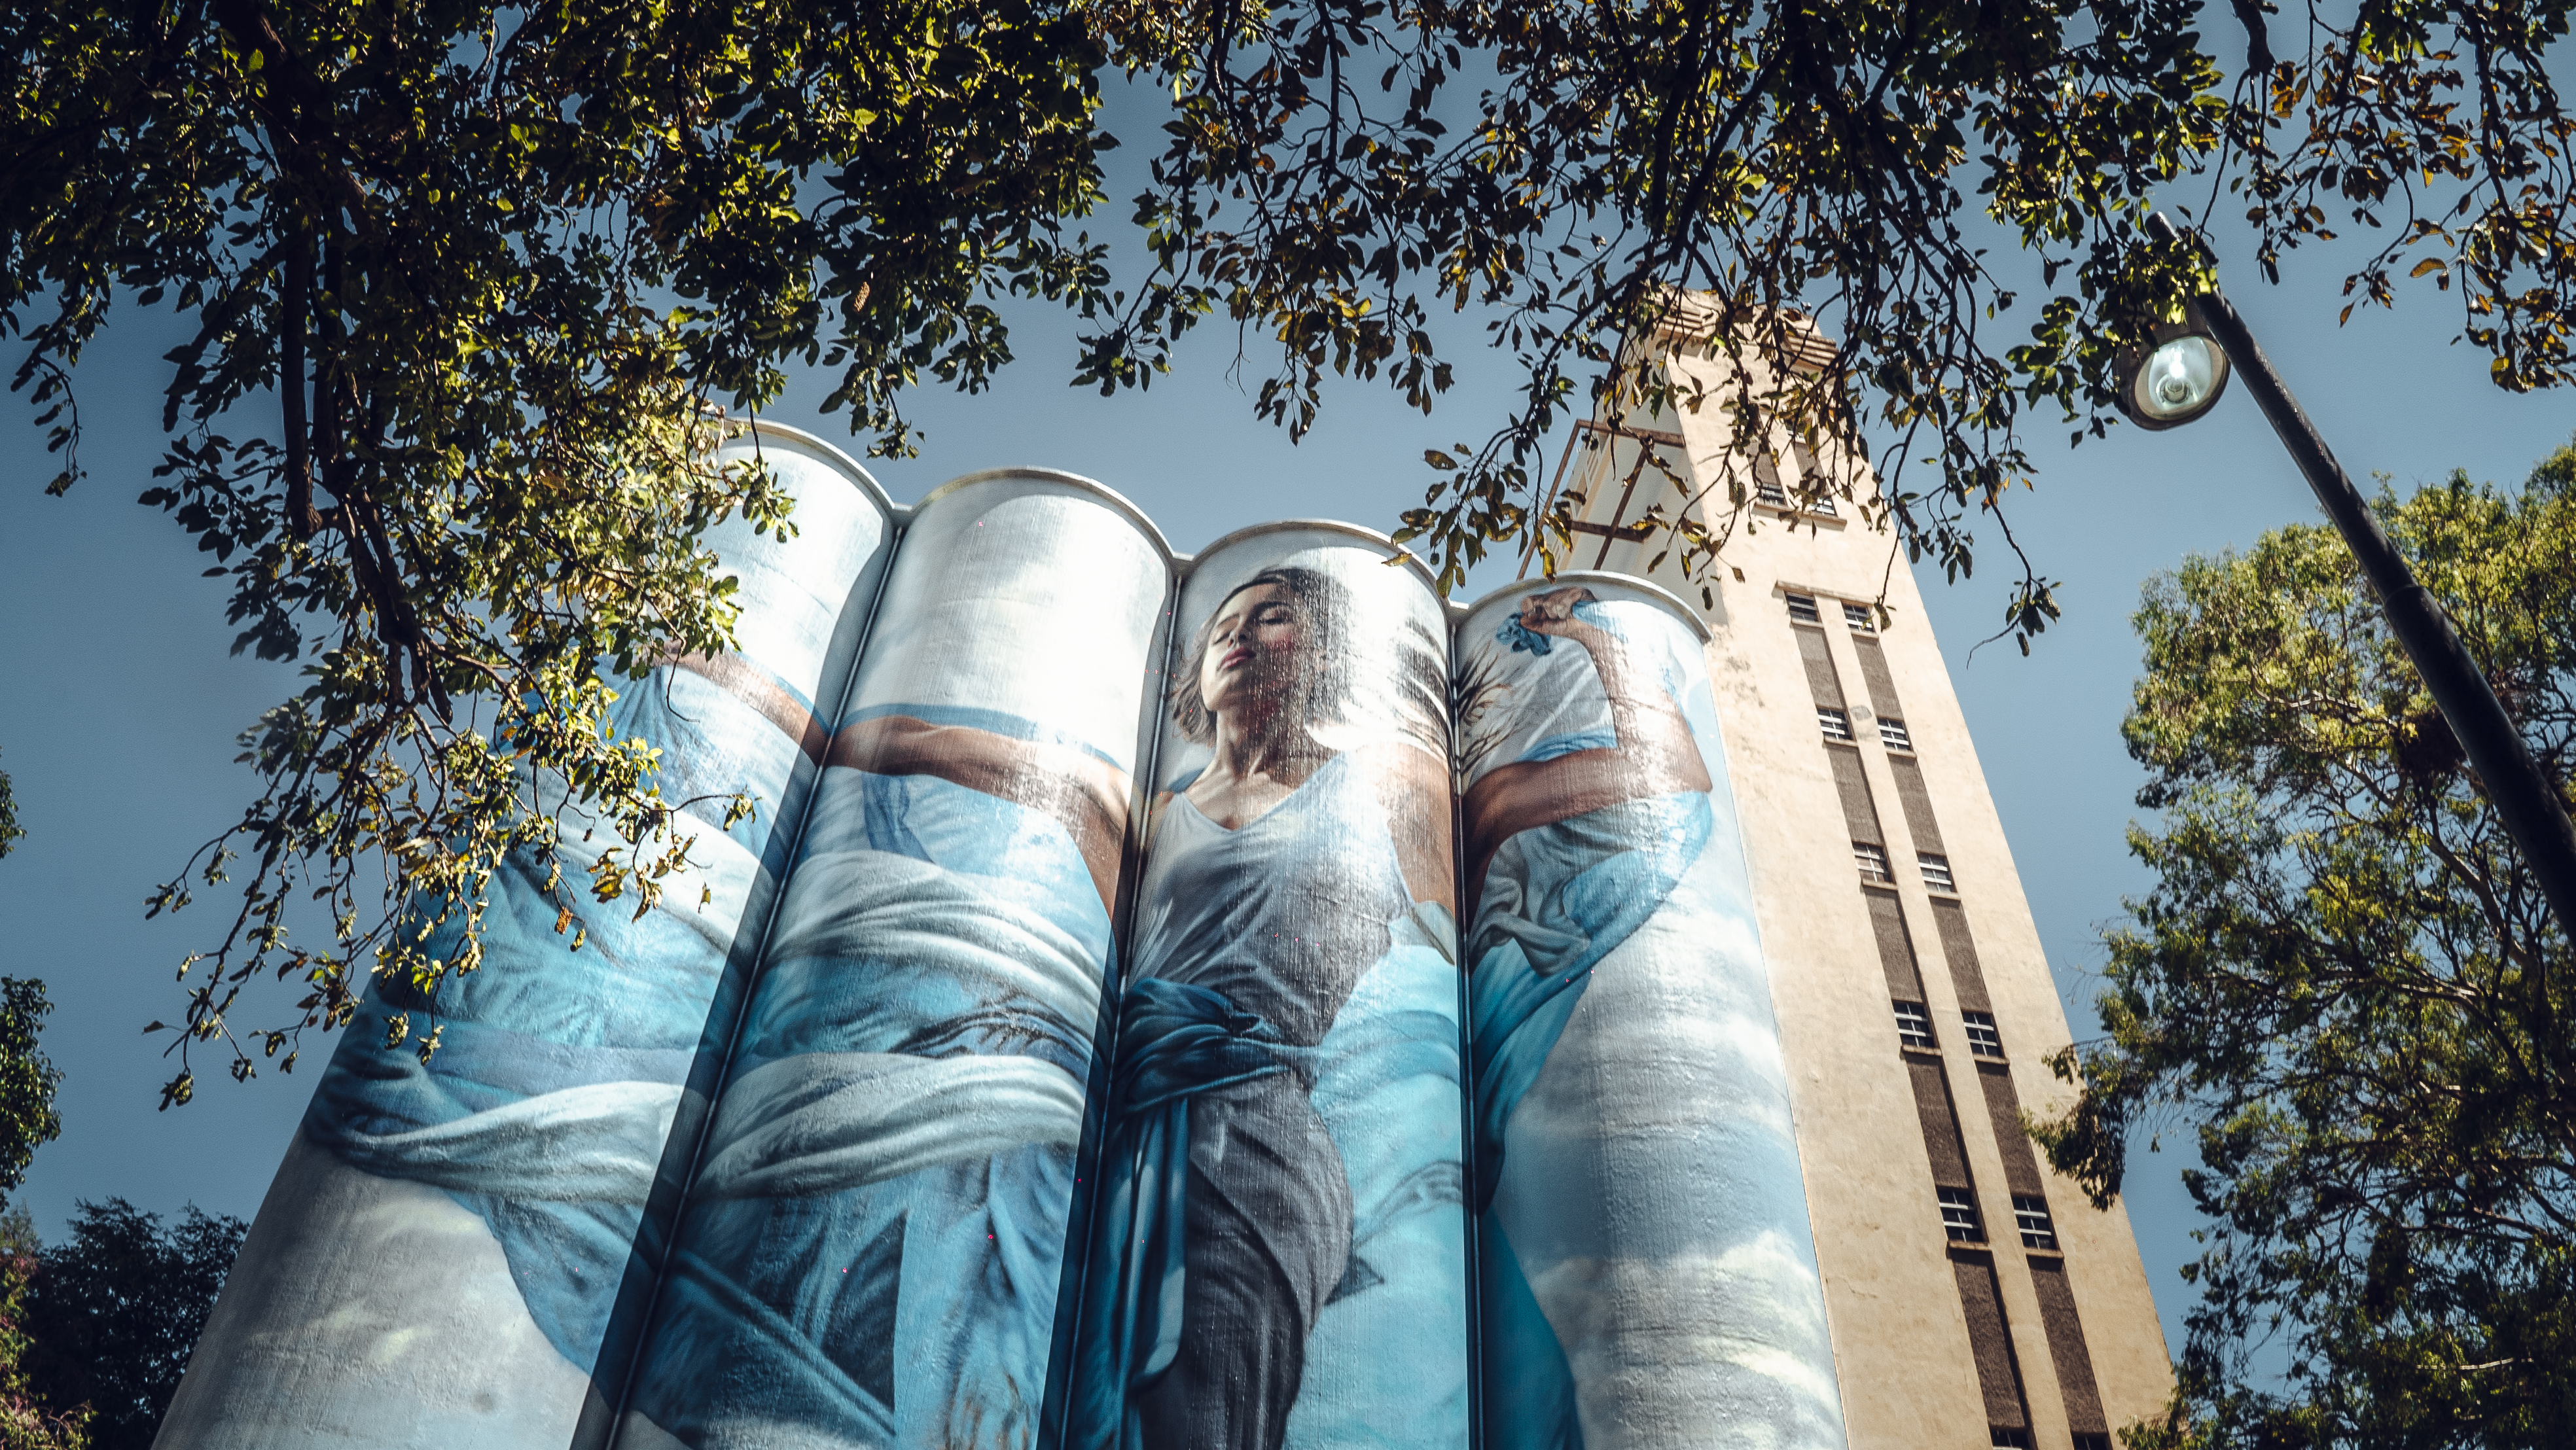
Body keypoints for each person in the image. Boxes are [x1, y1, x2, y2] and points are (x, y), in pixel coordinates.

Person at [1072, 566, 1453, 1450]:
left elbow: (1442, 966)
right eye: (1223, 627)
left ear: (1320, 652)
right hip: (1130, 1136)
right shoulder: (1152, 815)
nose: (1240, 634)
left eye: (1272, 618)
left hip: (1259, 1147)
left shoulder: (1379, 793)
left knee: (1206, 1411)